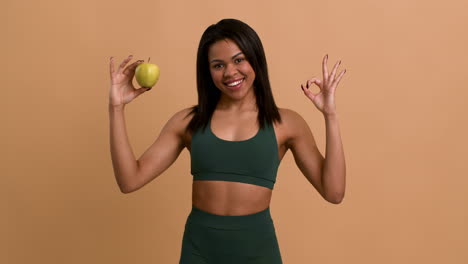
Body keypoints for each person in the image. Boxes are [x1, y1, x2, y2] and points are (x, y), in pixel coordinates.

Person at [108, 18, 346, 264]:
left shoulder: (286, 123)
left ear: (256, 59)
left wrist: (330, 115)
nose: (230, 72)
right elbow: (129, 180)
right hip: (199, 254)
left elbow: (334, 192)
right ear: (207, 71)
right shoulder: (188, 122)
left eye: (239, 59)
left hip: (259, 255)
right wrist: (116, 107)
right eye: (218, 65)